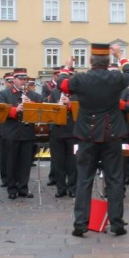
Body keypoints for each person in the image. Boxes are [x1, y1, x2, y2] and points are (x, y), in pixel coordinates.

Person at [58, 43, 129, 237]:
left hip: (87, 135)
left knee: (84, 180)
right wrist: (120, 55)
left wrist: (67, 66)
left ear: (90, 60)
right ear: (108, 61)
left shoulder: (81, 79)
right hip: (111, 134)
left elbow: (62, 84)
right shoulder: (115, 78)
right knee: (114, 180)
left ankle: (80, 224)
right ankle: (116, 223)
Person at [0, 68, 43, 200]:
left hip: (27, 133)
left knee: (25, 162)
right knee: (11, 162)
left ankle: (23, 188)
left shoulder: (32, 95)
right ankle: (12, 188)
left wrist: (30, 104)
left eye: (24, 79)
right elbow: (0, 109)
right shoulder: (4, 94)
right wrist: (15, 110)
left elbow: (41, 108)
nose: (23, 81)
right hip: (11, 133)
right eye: (20, 79)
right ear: (14, 79)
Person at [47, 70, 77, 198]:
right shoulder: (55, 92)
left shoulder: (77, 93)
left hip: (73, 131)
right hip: (57, 131)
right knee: (58, 162)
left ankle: (72, 188)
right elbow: (49, 110)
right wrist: (57, 106)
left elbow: (82, 110)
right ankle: (61, 188)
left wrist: (69, 104)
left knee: (73, 163)